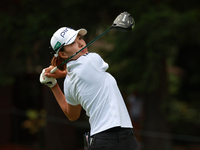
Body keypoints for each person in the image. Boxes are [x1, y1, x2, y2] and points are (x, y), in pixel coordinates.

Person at [40, 27, 139, 150]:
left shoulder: (69, 82)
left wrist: (53, 85)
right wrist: (60, 76)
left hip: (120, 138)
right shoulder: (93, 59)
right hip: (108, 140)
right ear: (63, 54)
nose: (81, 43)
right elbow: (82, 69)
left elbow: (71, 114)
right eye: (73, 42)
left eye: (80, 38)